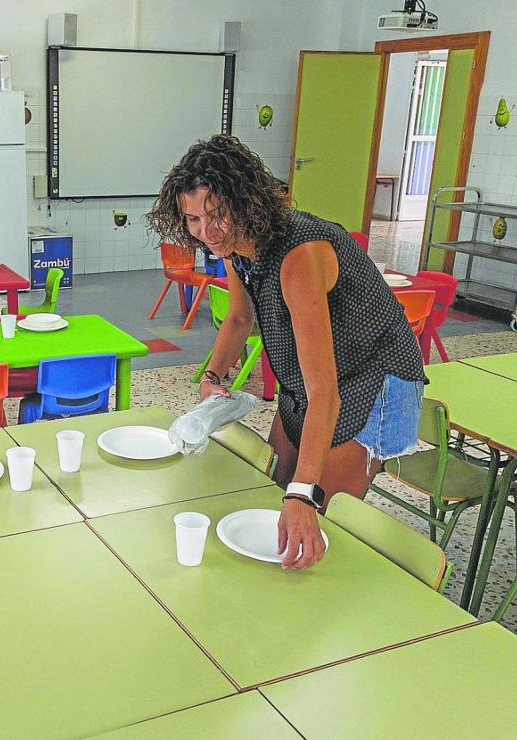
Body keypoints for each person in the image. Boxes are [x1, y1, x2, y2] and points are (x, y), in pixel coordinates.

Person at [145, 134, 425, 571]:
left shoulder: (299, 256)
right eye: (194, 219)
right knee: (274, 488)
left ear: (247, 202)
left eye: (218, 214)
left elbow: (326, 396)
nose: (207, 231)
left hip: (372, 377)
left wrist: (303, 495)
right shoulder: (237, 247)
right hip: (314, 380)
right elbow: (238, 318)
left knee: (314, 512)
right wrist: (212, 379)